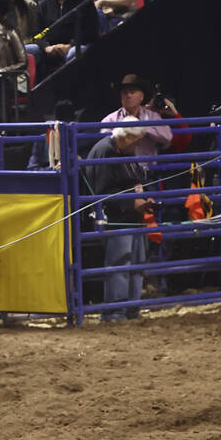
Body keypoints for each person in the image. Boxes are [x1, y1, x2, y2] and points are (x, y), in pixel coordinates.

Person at [84, 117, 153, 321]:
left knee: (137, 262)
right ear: (128, 136)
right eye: (137, 139)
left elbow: (136, 179)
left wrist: (143, 196)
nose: (139, 143)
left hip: (130, 215)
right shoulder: (105, 151)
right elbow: (102, 191)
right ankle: (115, 311)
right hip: (116, 217)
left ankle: (130, 308)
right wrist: (133, 203)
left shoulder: (124, 151)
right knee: (121, 263)